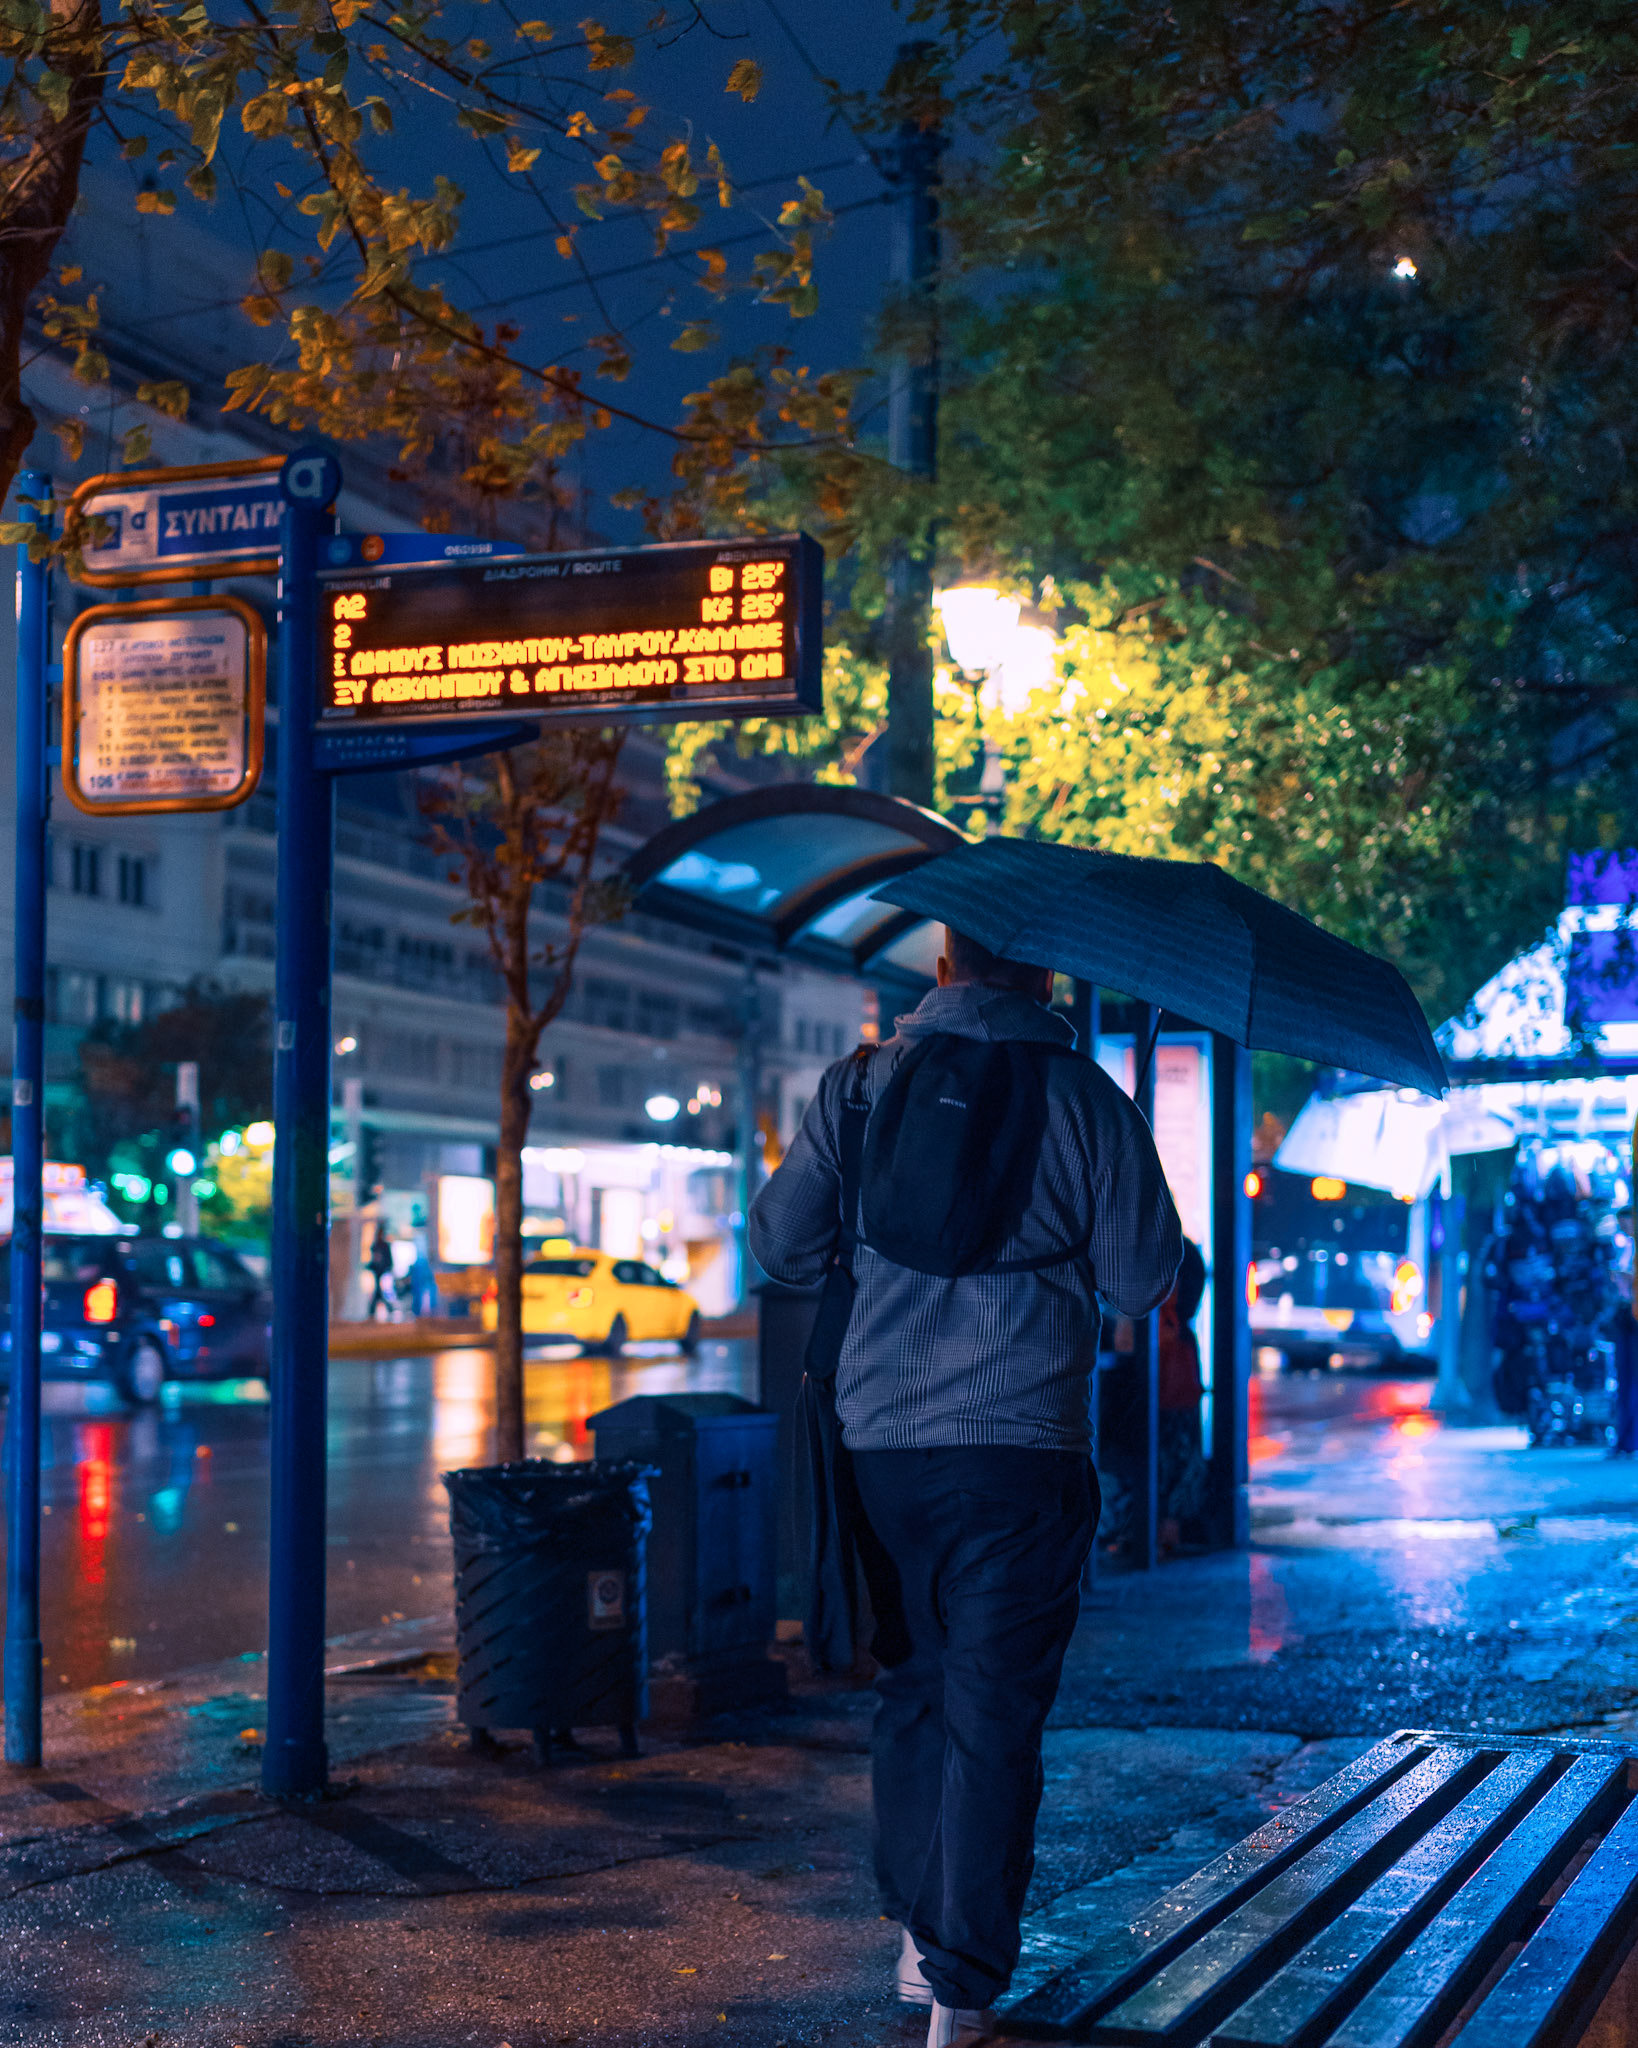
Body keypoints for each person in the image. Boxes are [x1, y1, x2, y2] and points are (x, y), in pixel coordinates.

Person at [749, 927, 1182, 2047]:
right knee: (996, 1712)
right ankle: (962, 1987)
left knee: (916, 1686)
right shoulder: (1089, 1099)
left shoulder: (858, 1087)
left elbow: (782, 1249)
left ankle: (918, 1935)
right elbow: (1142, 1281)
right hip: (1023, 1451)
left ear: (943, 966)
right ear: (1044, 973)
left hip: (881, 1446)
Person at [366, 1227, 395, 1321]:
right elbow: (374, 1259)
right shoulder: (377, 1245)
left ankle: (374, 1310)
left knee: (380, 1292)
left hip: (382, 1271)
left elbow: (387, 1260)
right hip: (378, 1271)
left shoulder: (383, 1246)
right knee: (379, 1292)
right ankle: (376, 1310)